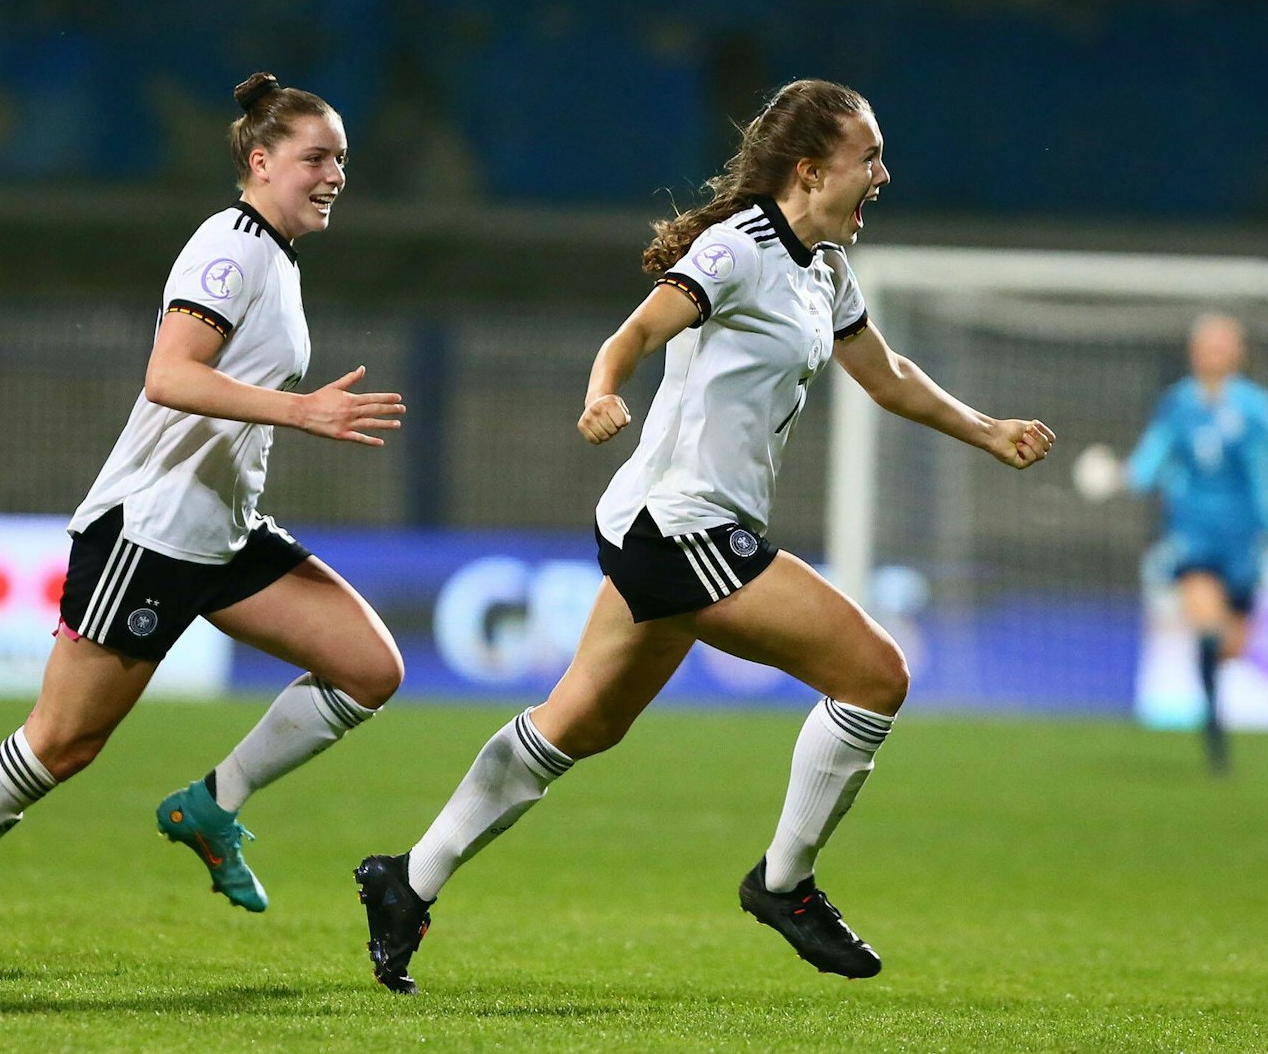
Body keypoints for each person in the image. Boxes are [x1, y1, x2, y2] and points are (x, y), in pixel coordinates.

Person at [354, 79, 1056, 993]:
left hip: (669, 528)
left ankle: (407, 880)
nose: (883, 172)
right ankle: (784, 883)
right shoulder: (738, 250)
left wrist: (986, 428)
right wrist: (602, 391)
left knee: (579, 723)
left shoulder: (824, 268)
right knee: (876, 674)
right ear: (810, 169)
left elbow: (886, 374)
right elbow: (634, 333)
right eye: (868, 156)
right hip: (680, 525)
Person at [0, 72, 406, 941]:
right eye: (316, 157)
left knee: (369, 668)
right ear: (260, 159)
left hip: (221, 532)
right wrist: (300, 408)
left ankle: (212, 805)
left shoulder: (272, 256)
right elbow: (169, 374)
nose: (334, 174)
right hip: (152, 533)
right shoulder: (231, 247)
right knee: (61, 743)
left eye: (341, 159)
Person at [1125, 314, 1268, 775]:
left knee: (1233, 645)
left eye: (1221, 345)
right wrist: (1123, 475)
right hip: (1192, 531)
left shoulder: (1258, 406)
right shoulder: (1177, 404)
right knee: (1207, 627)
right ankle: (1215, 735)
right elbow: (1151, 456)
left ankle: (1213, 693)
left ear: (1237, 353)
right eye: (1205, 345)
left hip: (1248, 536)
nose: (1211, 353)